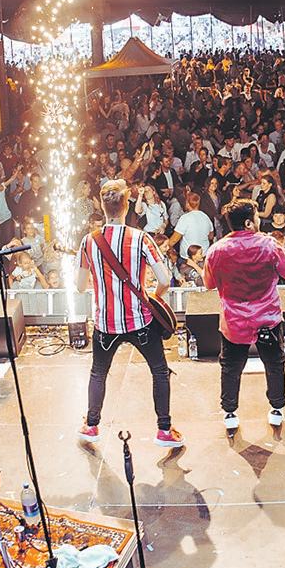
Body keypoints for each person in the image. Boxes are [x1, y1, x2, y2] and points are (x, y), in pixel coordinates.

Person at [76, 179, 182, 448]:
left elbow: (79, 286)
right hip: (140, 321)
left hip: (105, 323)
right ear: (126, 207)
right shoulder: (141, 238)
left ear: (103, 207)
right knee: (159, 371)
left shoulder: (89, 241)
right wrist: (153, 295)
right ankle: (164, 431)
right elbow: (165, 279)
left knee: (98, 373)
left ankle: (91, 425)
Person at [203, 198, 285, 432]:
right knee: (274, 364)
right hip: (267, 317)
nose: (259, 220)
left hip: (234, 321)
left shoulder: (216, 250)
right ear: (248, 222)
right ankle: (277, 409)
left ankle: (230, 413)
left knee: (230, 367)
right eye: (256, 217)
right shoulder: (269, 245)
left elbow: (208, 284)